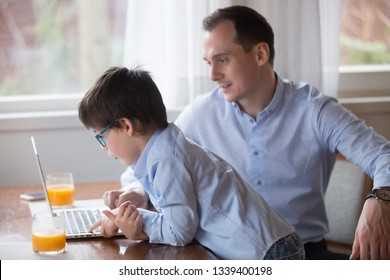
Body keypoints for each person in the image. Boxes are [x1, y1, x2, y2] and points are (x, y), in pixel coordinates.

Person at [105, 6, 390, 260]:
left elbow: (383, 156)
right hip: (221, 255)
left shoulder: (316, 110)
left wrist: (380, 198)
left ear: (260, 54)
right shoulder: (201, 113)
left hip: (300, 254)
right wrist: (138, 193)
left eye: (223, 60)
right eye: (209, 63)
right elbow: (151, 160)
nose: (213, 75)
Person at [79, 66, 305, 260]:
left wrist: (137, 224)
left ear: (126, 126)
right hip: (271, 247)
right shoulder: (165, 151)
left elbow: (179, 232)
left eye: (101, 136)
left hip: (270, 254)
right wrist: (125, 216)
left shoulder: (166, 160)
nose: (103, 146)